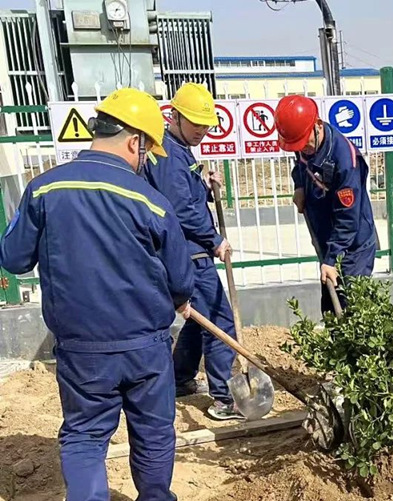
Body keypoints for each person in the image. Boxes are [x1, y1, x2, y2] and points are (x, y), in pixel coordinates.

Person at [0, 88, 194, 501]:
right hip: (146, 347)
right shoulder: (153, 203)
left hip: (82, 349)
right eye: (147, 153)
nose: (146, 162)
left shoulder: (43, 190)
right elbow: (181, 279)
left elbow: (14, 259)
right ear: (134, 141)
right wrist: (178, 297)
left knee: (85, 436)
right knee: (154, 430)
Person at [143, 82, 242, 420]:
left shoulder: (175, 149)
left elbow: (184, 194)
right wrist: (214, 239)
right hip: (189, 253)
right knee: (219, 319)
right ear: (175, 116)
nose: (202, 130)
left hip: (187, 250)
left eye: (205, 124)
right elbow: (180, 210)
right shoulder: (168, 155)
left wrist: (204, 180)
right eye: (196, 123)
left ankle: (180, 378)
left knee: (199, 320)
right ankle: (224, 399)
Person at [274, 95, 377, 314]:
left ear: (317, 126)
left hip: (352, 246)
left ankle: (355, 348)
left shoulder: (345, 161)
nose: (303, 149)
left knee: (352, 306)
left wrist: (331, 259)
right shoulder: (302, 137)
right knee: (330, 307)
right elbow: (300, 164)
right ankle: (333, 344)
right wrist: (300, 186)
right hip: (327, 236)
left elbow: (348, 219)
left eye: (305, 144)